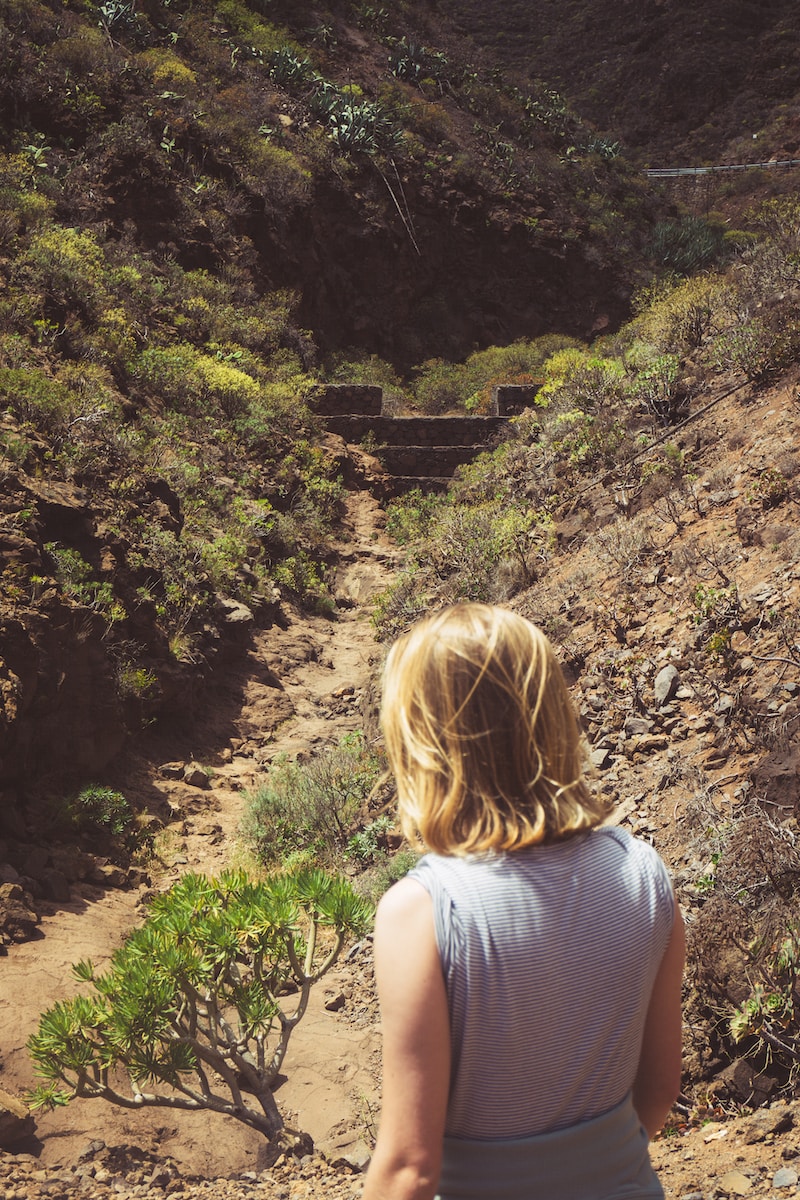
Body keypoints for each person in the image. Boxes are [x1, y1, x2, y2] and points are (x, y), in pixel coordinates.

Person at [362, 603, 685, 1200]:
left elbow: (409, 1167)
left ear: (424, 744)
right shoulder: (644, 874)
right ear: (552, 722)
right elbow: (661, 1086)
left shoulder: (423, 911)